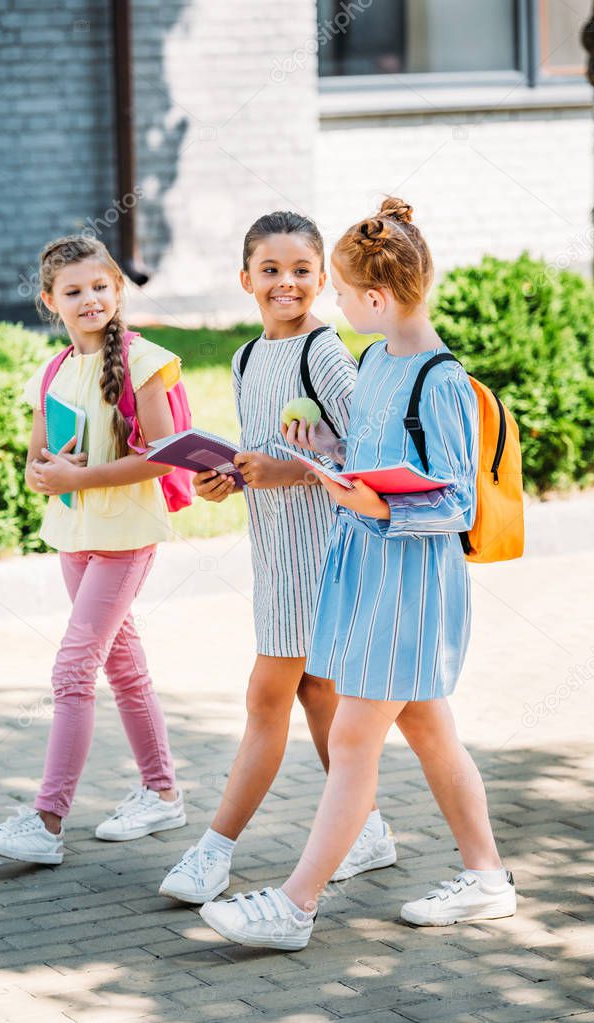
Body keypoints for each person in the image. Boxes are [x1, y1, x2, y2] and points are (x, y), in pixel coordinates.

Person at [198, 198, 516, 950]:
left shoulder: (438, 379)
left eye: (340, 290)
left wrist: (370, 499)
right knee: (434, 734)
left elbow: (456, 499)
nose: (333, 304)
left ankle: (295, 904)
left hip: (408, 585)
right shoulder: (376, 361)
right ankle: (486, 878)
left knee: (349, 742)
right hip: (368, 576)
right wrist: (327, 452)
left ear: (375, 298)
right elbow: (364, 456)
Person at [160, 211, 396, 903]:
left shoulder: (322, 352)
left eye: (300, 271)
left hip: (324, 553)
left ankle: (213, 849)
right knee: (317, 693)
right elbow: (261, 451)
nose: (285, 283)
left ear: (323, 279)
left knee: (267, 696)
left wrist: (288, 470)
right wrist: (224, 478)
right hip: (274, 553)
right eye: (270, 270)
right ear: (245, 279)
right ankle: (368, 831)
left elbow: (366, 457)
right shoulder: (241, 358)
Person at [0, 235, 185, 865]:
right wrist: (44, 473)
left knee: (72, 668)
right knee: (122, 665)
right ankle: (162, 791)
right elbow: (39, 460)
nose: (89, 299)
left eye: (100, 287)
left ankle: (47, 820)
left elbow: (163, 453)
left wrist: (80, 478)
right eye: (73, 291)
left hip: (125, 536)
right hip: (74, 536)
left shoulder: (147, 362)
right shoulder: (54, 370)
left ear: (118, 290)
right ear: (50, 301)